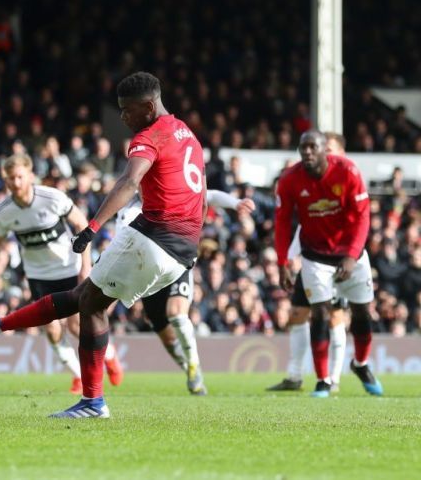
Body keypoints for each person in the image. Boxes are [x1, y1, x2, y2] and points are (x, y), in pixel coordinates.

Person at [0, 72, 205, 418]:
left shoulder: (148, 137)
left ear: (149, 106)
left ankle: (93, 402)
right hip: (184, 247)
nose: (123, 117)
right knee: (85, 299)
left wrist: (93, 226)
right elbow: (199, 192)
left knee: (89, 305)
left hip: (155, 235)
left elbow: (128, 181)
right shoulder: (187, 134)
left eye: (127, 110)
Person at [0, 154, 123, 395]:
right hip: (38, 275)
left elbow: (81, 224)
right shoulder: (4, 211)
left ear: (30, 176)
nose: (15, 182)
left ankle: (111, 358)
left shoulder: (52, 198)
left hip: (69, 267)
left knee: (76, 326)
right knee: (51, 330)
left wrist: (85, 265)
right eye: (10, 179)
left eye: (20, 177)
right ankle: (78, 376)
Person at [274, 130, 382, 398]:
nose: (307, 152)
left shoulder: (348, 172)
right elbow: (282, 222)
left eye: (313, 147)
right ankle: (323, 380)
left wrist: (352, 254)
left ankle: (361, 364)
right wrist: (283, 261)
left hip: (351, 254)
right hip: (315, 257)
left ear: (325, 151)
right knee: (320, 314)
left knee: (362, 314)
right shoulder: (289, 180)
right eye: (303, 148)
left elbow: (363, 217)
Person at [123, 190, 255, 395]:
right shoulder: (129, 206)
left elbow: (207, 195)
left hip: (177, 261)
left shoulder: (171, 189)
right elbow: (124, 233)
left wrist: (235, 202)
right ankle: (191, 371)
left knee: (176, 313)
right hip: (148, 275)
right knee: (167, 337)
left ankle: (194, 366)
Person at [268, 132, 349, 392]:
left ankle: (333, 379)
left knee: (333, 316)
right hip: (311, 257)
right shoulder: (309, 180)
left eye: (333, 149)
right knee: (298, 313)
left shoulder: (346, 179)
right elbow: (302, 225)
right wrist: (290, 257)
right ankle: (294, 376)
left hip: (337, 258)